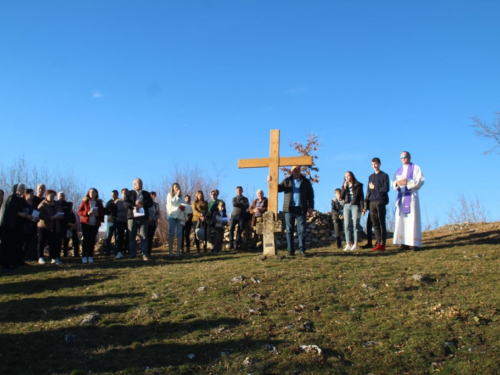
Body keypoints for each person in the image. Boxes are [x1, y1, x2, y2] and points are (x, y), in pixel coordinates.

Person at [270, 165, 314, 257]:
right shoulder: (287, 181)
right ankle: (290, 250)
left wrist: (310, 207)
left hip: (301, 208)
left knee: (301, 230)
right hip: (289, 209)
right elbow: (277, 189)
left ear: (300, 170)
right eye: (294, 169)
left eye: (298, 169)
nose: (296, 170)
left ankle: (301, 250)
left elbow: (310, 195)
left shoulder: (305, 181)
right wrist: (271, 181)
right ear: (291, 171)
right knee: (289, 230)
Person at [392, 151, 425, 251]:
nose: (403, 158)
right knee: (401, 219)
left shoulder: (415, 168)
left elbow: (421, 180)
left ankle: (414, 243)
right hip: (402, 197)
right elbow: (393, 182)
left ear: (409, 157)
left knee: (412, 219)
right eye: (401, 157)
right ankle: (403, 243)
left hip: (411, 196)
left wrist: (408, 181)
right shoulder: (399, 170)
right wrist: (397, 183)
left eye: (405, 156)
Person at [0, 184, 32, 268]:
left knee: (18, 244)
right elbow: (9, 211)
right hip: (10, 226)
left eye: (24, 188)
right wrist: (18, 213)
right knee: (8, 244)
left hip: (18, 226)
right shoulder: (11, 198)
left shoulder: (20, 200)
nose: (24, 190)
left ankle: (17, 261)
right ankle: (5, 263)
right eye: (22, 188)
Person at [363, 157, 390, 251]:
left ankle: (383, 243)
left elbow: (386, 189)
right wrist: (365, 206)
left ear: (379, 164)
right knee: (374, 223)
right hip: (372, 202)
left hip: (381, 201)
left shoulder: (384, 175)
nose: (374, 166)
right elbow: (368, 191)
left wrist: (375, 187)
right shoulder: (371, 177)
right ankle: (378, 243)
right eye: (372, 164)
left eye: (376, 164)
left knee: (381, 222)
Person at [123, 178, 153, 260]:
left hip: (143, 217)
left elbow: (150, 203)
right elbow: (125, 203)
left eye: (141, 182)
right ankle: (132, 254)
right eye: (139, 183)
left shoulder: (146, 193)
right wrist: (133, 206)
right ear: (134, 185)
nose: (141, 184)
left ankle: (144, 254)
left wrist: (144, 203)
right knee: (132, 236)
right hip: (132, 217)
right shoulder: (129, 193)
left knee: (143, 236)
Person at [37, 189, 65, 265]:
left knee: (54, 243)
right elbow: (39, 214)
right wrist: (49, 217)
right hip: (44, 226)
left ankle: (54, 257)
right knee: (42, 242)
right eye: (51, 195)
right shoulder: (43, 204)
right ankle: (40, 257)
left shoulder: (57, 205)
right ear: (46, 196)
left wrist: (59, 217)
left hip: (55, 226)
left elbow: (62, 213)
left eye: (53, 196)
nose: (52, 197)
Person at [77, 188, 105, 264]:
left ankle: (90, 256)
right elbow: (79, 212)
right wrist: (87, 213)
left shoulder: (99, 203)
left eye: (93, 192)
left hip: (95, 224)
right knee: (86, 240)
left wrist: (98, 214)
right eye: (90, 192)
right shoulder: (85, 201)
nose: (91, 193)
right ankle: (84, 256)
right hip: (86, 223)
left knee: (92, 240)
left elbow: (102, 212)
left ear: (96, 193)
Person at [340, 171, 364, 251]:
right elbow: (341, 197)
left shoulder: (358, 185)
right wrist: (344, 188)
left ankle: (356, 243)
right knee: (346, 224)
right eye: (345, 176)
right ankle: (348, 243)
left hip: (355, 205)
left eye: (348, 175)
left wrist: (363, 207)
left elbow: (361, 197)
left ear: (352, 176)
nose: (347, 177)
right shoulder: (344, 186)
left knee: (355, 224)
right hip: (346, 205)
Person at [166, 183, 186, 257]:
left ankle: (178, 251)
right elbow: (171, 202)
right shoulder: (169, 195)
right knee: (171, 233)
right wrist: (177, 195)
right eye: (175, 187)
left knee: (179, 233)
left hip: (180, 215)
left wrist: (184, 207)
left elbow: (183, 204)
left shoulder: (182, 196)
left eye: (178, 186)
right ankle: (170, 251)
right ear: (173, 188)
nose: (177, 188)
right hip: (172, 215)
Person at [23, 188, 39, 261]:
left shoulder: (34, 204)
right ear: (26, 194)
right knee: (25, 242)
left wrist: (37, 218)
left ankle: (31, 256)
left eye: (33, 194)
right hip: (25, 225)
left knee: (32, 241)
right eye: (31, 194)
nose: (33, 196)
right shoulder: (23, 203)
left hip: (33, 224)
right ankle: (24, 256)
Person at [104, 190, 119, 256]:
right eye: (112, 195)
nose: (113, 196)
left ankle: (117, 251)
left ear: (117, 195)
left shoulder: (120, 202)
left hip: (118, 221)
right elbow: (105, 211)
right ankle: (107, 252)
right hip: (110, 221)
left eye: (114, 195)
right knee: (108, 237)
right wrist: (109, 211)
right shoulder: (109, 202)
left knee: (117, 237)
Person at [115, 188, 129, 259]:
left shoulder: (130, 201)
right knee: (120, 236)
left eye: (126, 192)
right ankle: (119, 251)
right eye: (123, 192)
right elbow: (114, 211)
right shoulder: (118, 201)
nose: (124, 194)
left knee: (128, 236)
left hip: (128, 221)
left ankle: (126, 250)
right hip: (119, 221)